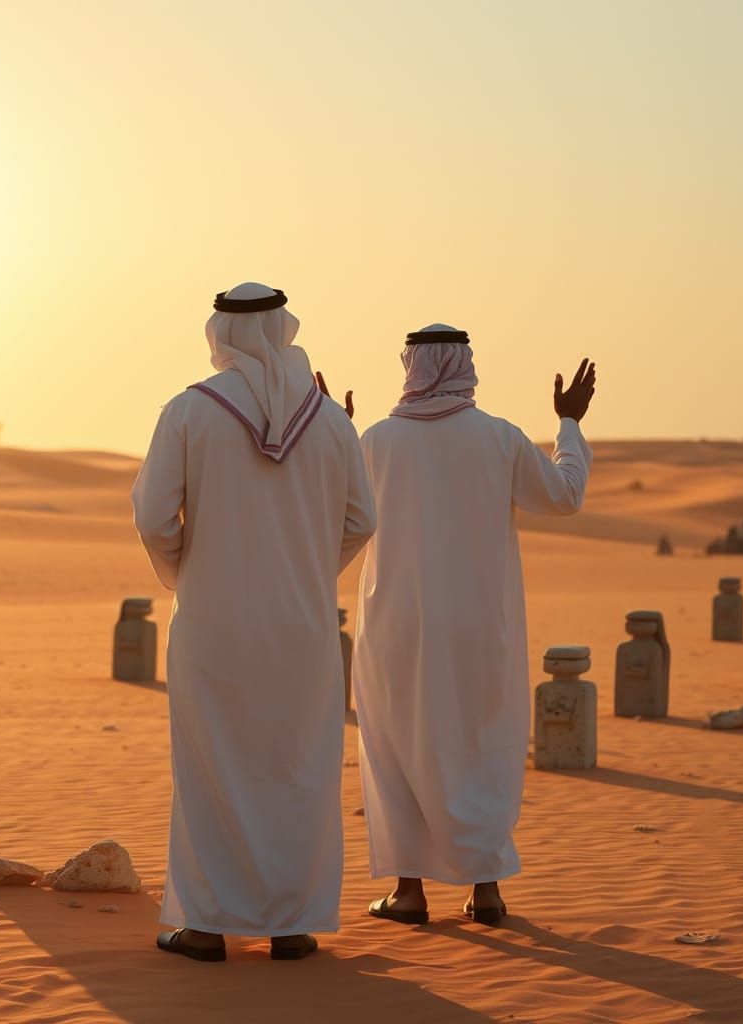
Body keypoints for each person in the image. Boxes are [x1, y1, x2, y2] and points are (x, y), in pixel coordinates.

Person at [132, 282, 376, 962]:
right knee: (295, 767)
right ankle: (290, 925)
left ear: (220, 332)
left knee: (212, 766)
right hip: (304, 628)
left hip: (213, 626)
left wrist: (188, 571)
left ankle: (206, 925)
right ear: (284, 328)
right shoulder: (331, 422)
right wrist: (306, 569)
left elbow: (152, 516)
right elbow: (363, 519)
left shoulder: (190, 410)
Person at [353, 323, 595, 925]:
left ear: (411, 365)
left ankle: (409, 892)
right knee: (482, 742)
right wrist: (569, 422)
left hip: (397, 628)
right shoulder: (499, 437)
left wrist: (331, 432)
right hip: (482, 627)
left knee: (398, 744)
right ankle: (486, 889)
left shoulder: (374, 441)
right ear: (465, 365)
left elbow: (332, 508)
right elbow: (565, 495)